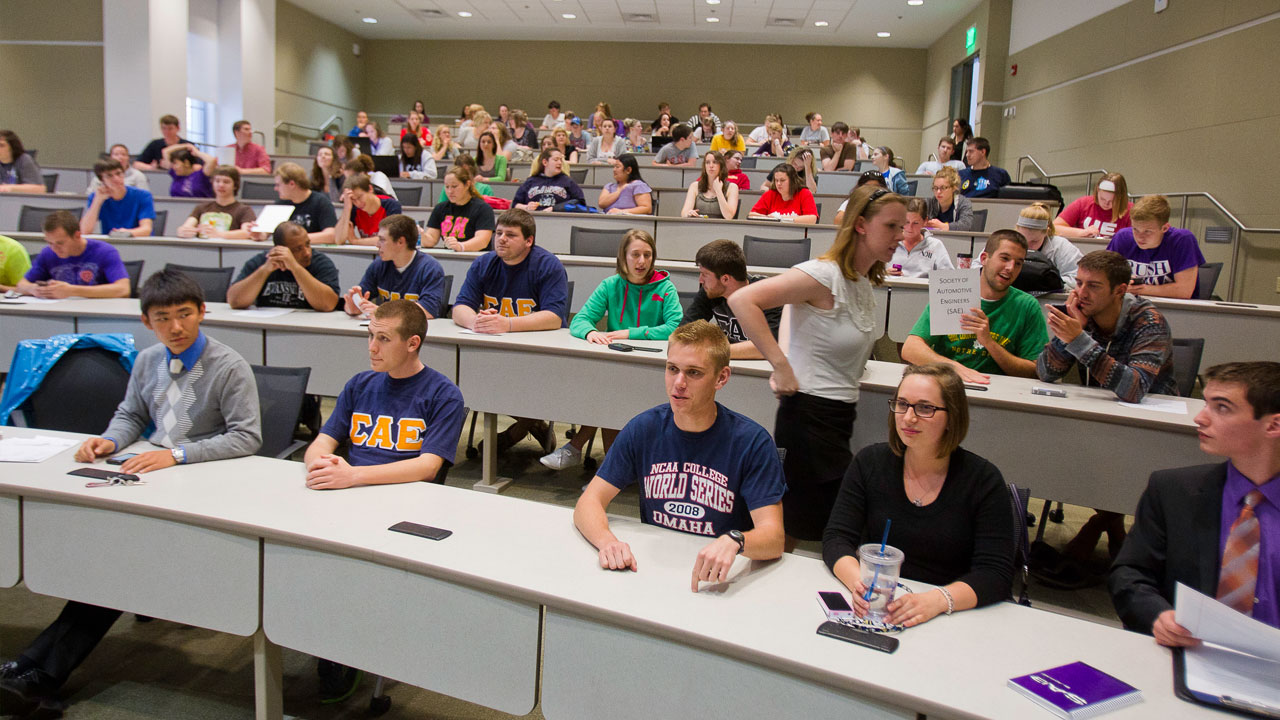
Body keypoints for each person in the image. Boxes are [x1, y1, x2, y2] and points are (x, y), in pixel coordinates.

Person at [0, 269, 261, 713]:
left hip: (199, 484)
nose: (176, 327)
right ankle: (33, 669)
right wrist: (110, 441)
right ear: (146, 322)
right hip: (148, 475)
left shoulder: (229, 366)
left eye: (184, 315)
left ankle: (38, 671)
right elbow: (129, 415)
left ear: (203, 312)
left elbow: (246, 437)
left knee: (112, 568)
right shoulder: (146, 360)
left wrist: (177, 455)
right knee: (107, 562)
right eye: (163, 318)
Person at [728, 186, 907, 545]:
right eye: (891, 227)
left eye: (902, 227)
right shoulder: (823, 275)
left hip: (838, 416)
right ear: (860, 225)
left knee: (819, 527)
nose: (900, 236)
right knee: (797, 528)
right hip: (808, 419)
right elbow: (743, 299)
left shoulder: (863, 283)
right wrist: (780, 364)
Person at [572, 320, 786, 585]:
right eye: (672, 369)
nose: (679, 383)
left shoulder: (751, 442)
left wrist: (736, 540)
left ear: (722, 378)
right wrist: (607, 542)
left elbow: (774, 538)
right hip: (651, 569)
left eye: (694, 373)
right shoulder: (645, 428)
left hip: (719, 577)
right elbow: (588, 502)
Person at [823, 363, 1014, 626]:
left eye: (925, 408)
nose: (909, 417)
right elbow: (836, 538)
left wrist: (936, 601)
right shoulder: (869, 462)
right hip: (880, 606)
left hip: (952, 612)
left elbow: (995, 575)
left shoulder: (983, 480)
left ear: (952, 416)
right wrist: (859, 583)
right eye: (902, 404)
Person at [1109, 361, 1280, 641]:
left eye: (1222, 407)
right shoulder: (1173, 490)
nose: (1200, 418)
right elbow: (1130, 573)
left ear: (1273, 425)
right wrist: (1158, 616)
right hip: (1192, 657)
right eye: (1206, 404)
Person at [1036, 250, 1178, 583]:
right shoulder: (1080, 314)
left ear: (1120, 290)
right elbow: (1045, 373)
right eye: (1080, 283)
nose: (1082, 293)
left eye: (1094, 286)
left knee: (1113, 459)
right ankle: (1112, 523)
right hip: (1099, 416)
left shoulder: (1149, 321)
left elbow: (1134, 388)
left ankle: (1095, 523)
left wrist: (1079, 340)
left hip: (1153, 426)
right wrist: (1070, 334)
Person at [543, 229, 682, 470]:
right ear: (623, 257)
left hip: (653, 368)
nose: (641, 262)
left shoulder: (665, 288)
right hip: (618, 363)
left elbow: (674, 329)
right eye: (635, 254)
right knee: (609, 391)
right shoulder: (611, 285)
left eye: (647, 255)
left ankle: (579, 451)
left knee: (610, 393)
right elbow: (579, 320)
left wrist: (632, 332)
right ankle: (611, 467)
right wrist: (591, 332)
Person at [306, 298, 466, 492]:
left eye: (384, 338)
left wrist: (354, 475)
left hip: (406, 495)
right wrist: (319, 467)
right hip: (352, 489)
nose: (372, 347)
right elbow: (323, 441)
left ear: (412, 343)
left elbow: (428, 467)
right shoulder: (359, 385)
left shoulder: (444, 395)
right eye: (371, 335)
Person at [452, 209, 568, 454]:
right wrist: (475, 322)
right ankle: (531, 421)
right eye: (499, 233)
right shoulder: (484, 263)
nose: (501, 239)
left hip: (538, 354)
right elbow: (460, 307)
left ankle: (517, 430)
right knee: (468, 377)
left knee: (519, 383)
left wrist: (508, 324)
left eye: (511, 235)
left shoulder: (547, 265)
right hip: (494, 350)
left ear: (529, 241)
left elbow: (555, 317)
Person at [902, 230, 1050, 384]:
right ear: (984, 258)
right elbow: (911, 348)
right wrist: (954, 368)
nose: (1010, 268)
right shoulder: (954, 291)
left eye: (1018, 263)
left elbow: (1035, 371)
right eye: (1004, 258)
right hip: (949, 384)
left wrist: (989, 342)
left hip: (998, 390)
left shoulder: (1026, 305)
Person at [681, 239, 781, 360]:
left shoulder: (767, 294)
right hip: (729, 363)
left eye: (705, 274)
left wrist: (711, 352)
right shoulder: (710, 291)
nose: (700, 280)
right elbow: (684, 332)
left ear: (725, 279)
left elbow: (769, 347)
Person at [345, 215, 446, 320]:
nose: (377, 244)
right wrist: (353, 307)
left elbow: (428, 311)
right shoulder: (379, 265)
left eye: (382, 240)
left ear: (400, 242)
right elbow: (362, 297)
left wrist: (383, 312)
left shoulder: (430, 268)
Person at [1105, 194, 1205, 299]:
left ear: (1165, 228)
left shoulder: (1182, 240)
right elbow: (1104, 278)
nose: (1139, 237)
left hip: (1175, 310)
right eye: (1135, 229)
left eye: (1147, 231)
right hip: (1130, 305)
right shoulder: (1122, 237)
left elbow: (1184, 291)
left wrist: (1141, 289)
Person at [227, 221, 341, 311]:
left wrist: (296, 268)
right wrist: (264, 271)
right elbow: (235, 301)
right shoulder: (260, 261)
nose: (307, 252)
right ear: (280, 249)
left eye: (307, 244)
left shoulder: (321, 263)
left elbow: (328, 305)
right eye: (298, 249)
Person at [18, 210, 131, 299]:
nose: (54, 248)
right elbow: (21, 284)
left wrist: (71, 291)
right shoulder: (47, 253)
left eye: (60, 243)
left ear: (77, 235)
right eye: (49, 243)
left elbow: (123, 289)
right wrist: (32, 289)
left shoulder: (105, 252)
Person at [254, 162, 337, 244]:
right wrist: (260, 234)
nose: (275, 189)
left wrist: (295, 240)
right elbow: (266, 232)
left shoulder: (321, 202)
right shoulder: (280, 204)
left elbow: (330, 236)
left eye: (278, 185)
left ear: (292, 184)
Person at [1006, 202, 1083, 289]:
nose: (1028, 246)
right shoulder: (1006, 243)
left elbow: (1078, 278)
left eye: (1034, 241)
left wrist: (1048, 283)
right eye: (1023, 240)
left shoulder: (1062, 247)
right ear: (1017, 229)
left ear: (1046, 232)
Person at [423, 166, 497, 252]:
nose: (450, 191)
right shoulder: (440, 208)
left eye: (454, 186)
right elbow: (431, 239)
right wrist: (421, 235)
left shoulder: (483, 209)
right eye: (447, 187)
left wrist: (461, 246)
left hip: (475, 258)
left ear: (467, 185)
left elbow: (482, 241)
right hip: (451, 257)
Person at [80, 159, 156, 237]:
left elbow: (146, 229)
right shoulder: (96, 197)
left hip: (137, 241)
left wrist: (125, 233)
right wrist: (97, 201)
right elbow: (85, 231)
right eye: (109, 176)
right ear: (102, 180)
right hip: (111, 243)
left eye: (118, 173)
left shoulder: (143, 196)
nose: (116, 179)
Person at [176, 166, 256, 240]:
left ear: (235, 186)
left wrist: (219, 234)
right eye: (217, 181)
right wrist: (184, 231)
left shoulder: (244, 210)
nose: (221, 185)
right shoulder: (201, 207)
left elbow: (247, 233)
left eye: (226, 182)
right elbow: (186, 226)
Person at [888, 198, 954, 278]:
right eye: (907, 222)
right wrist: (884, 273)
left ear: (925, 221)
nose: (910, 227)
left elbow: (949, 278)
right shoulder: (888, 242)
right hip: (891, 288)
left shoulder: (935, 246)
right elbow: (871, 273)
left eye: (915, 223)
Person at [1055, 173, 1132, 239]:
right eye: (1102, 199)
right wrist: (1081, 233)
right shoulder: (1083, 203)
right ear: (1097, 191)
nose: (1106, 203)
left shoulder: (1130, 210)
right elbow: (1054, 228)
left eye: (1112, 201)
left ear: (1121, 198)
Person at [336, 173, 403, 246]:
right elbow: (338, 240)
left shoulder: (391, 205)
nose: (358, 203)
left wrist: (356, 241)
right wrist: (347, 208)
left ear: (370, 189)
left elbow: (389, 238)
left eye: (359, 197)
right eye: (353, 200)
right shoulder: (354, 209)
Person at [513, 148, 584, 212]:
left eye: (561, 160)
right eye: (556, 160)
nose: (559, 163)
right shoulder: (530, 181)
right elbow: (515, 205)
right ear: (545, 162)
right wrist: (527, 207)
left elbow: (580, 202)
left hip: (560, 220)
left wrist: (555, 208)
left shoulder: (568, 181)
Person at [748, 163, 817, 224]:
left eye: (782, 180)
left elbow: (812, 219)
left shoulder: (804, 193)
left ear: (792, 180)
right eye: (776, 180)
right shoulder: (769, 194)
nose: (778, 183)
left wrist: (781, 219)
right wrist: (769, 218)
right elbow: (751, 215)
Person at [681, 151, 739, 219]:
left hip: (721, 228)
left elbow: (729, 216)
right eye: (708, 162)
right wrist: (688, 213)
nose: (711, 166)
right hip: (698, 226)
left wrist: (718, 191)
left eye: (715, 162)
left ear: (721, 165)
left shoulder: (732, 187)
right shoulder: (694, 186)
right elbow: (684, 213)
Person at [924, 166, 976, 231]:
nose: (938, 192)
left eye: (943, 188)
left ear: (953, 188)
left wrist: (942, 226)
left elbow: (966, 225)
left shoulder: (963, 203)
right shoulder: (929, 203)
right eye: (935, 188)